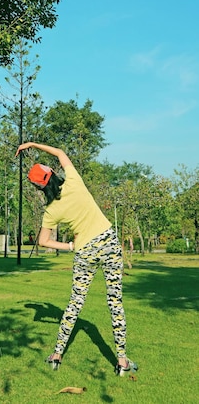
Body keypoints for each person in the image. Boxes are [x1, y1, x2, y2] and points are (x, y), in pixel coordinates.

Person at [15, 141, 138, 377]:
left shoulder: (51, 211)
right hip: (109, 243)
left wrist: (70, 245)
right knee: (115, 301)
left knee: (75, 303)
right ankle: (122, 360)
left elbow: (43, 241)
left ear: (39, 188)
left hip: (85, 251)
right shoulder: (74, 181)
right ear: (52, 173)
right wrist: (33, 144)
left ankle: (57, 355)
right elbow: (61, 152)